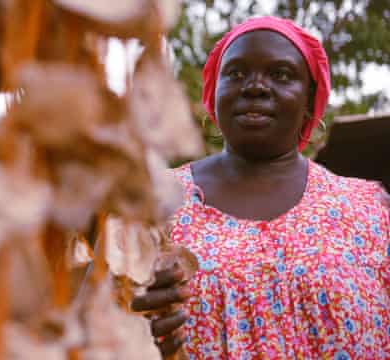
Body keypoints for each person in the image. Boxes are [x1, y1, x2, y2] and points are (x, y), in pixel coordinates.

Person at [131, 16, 390, 359]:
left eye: (281, 75)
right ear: (214, 92)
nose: (255, 86)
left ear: (309, 100)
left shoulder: (370, 210)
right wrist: (130, 323)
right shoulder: (153, 202)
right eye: (236, 73)